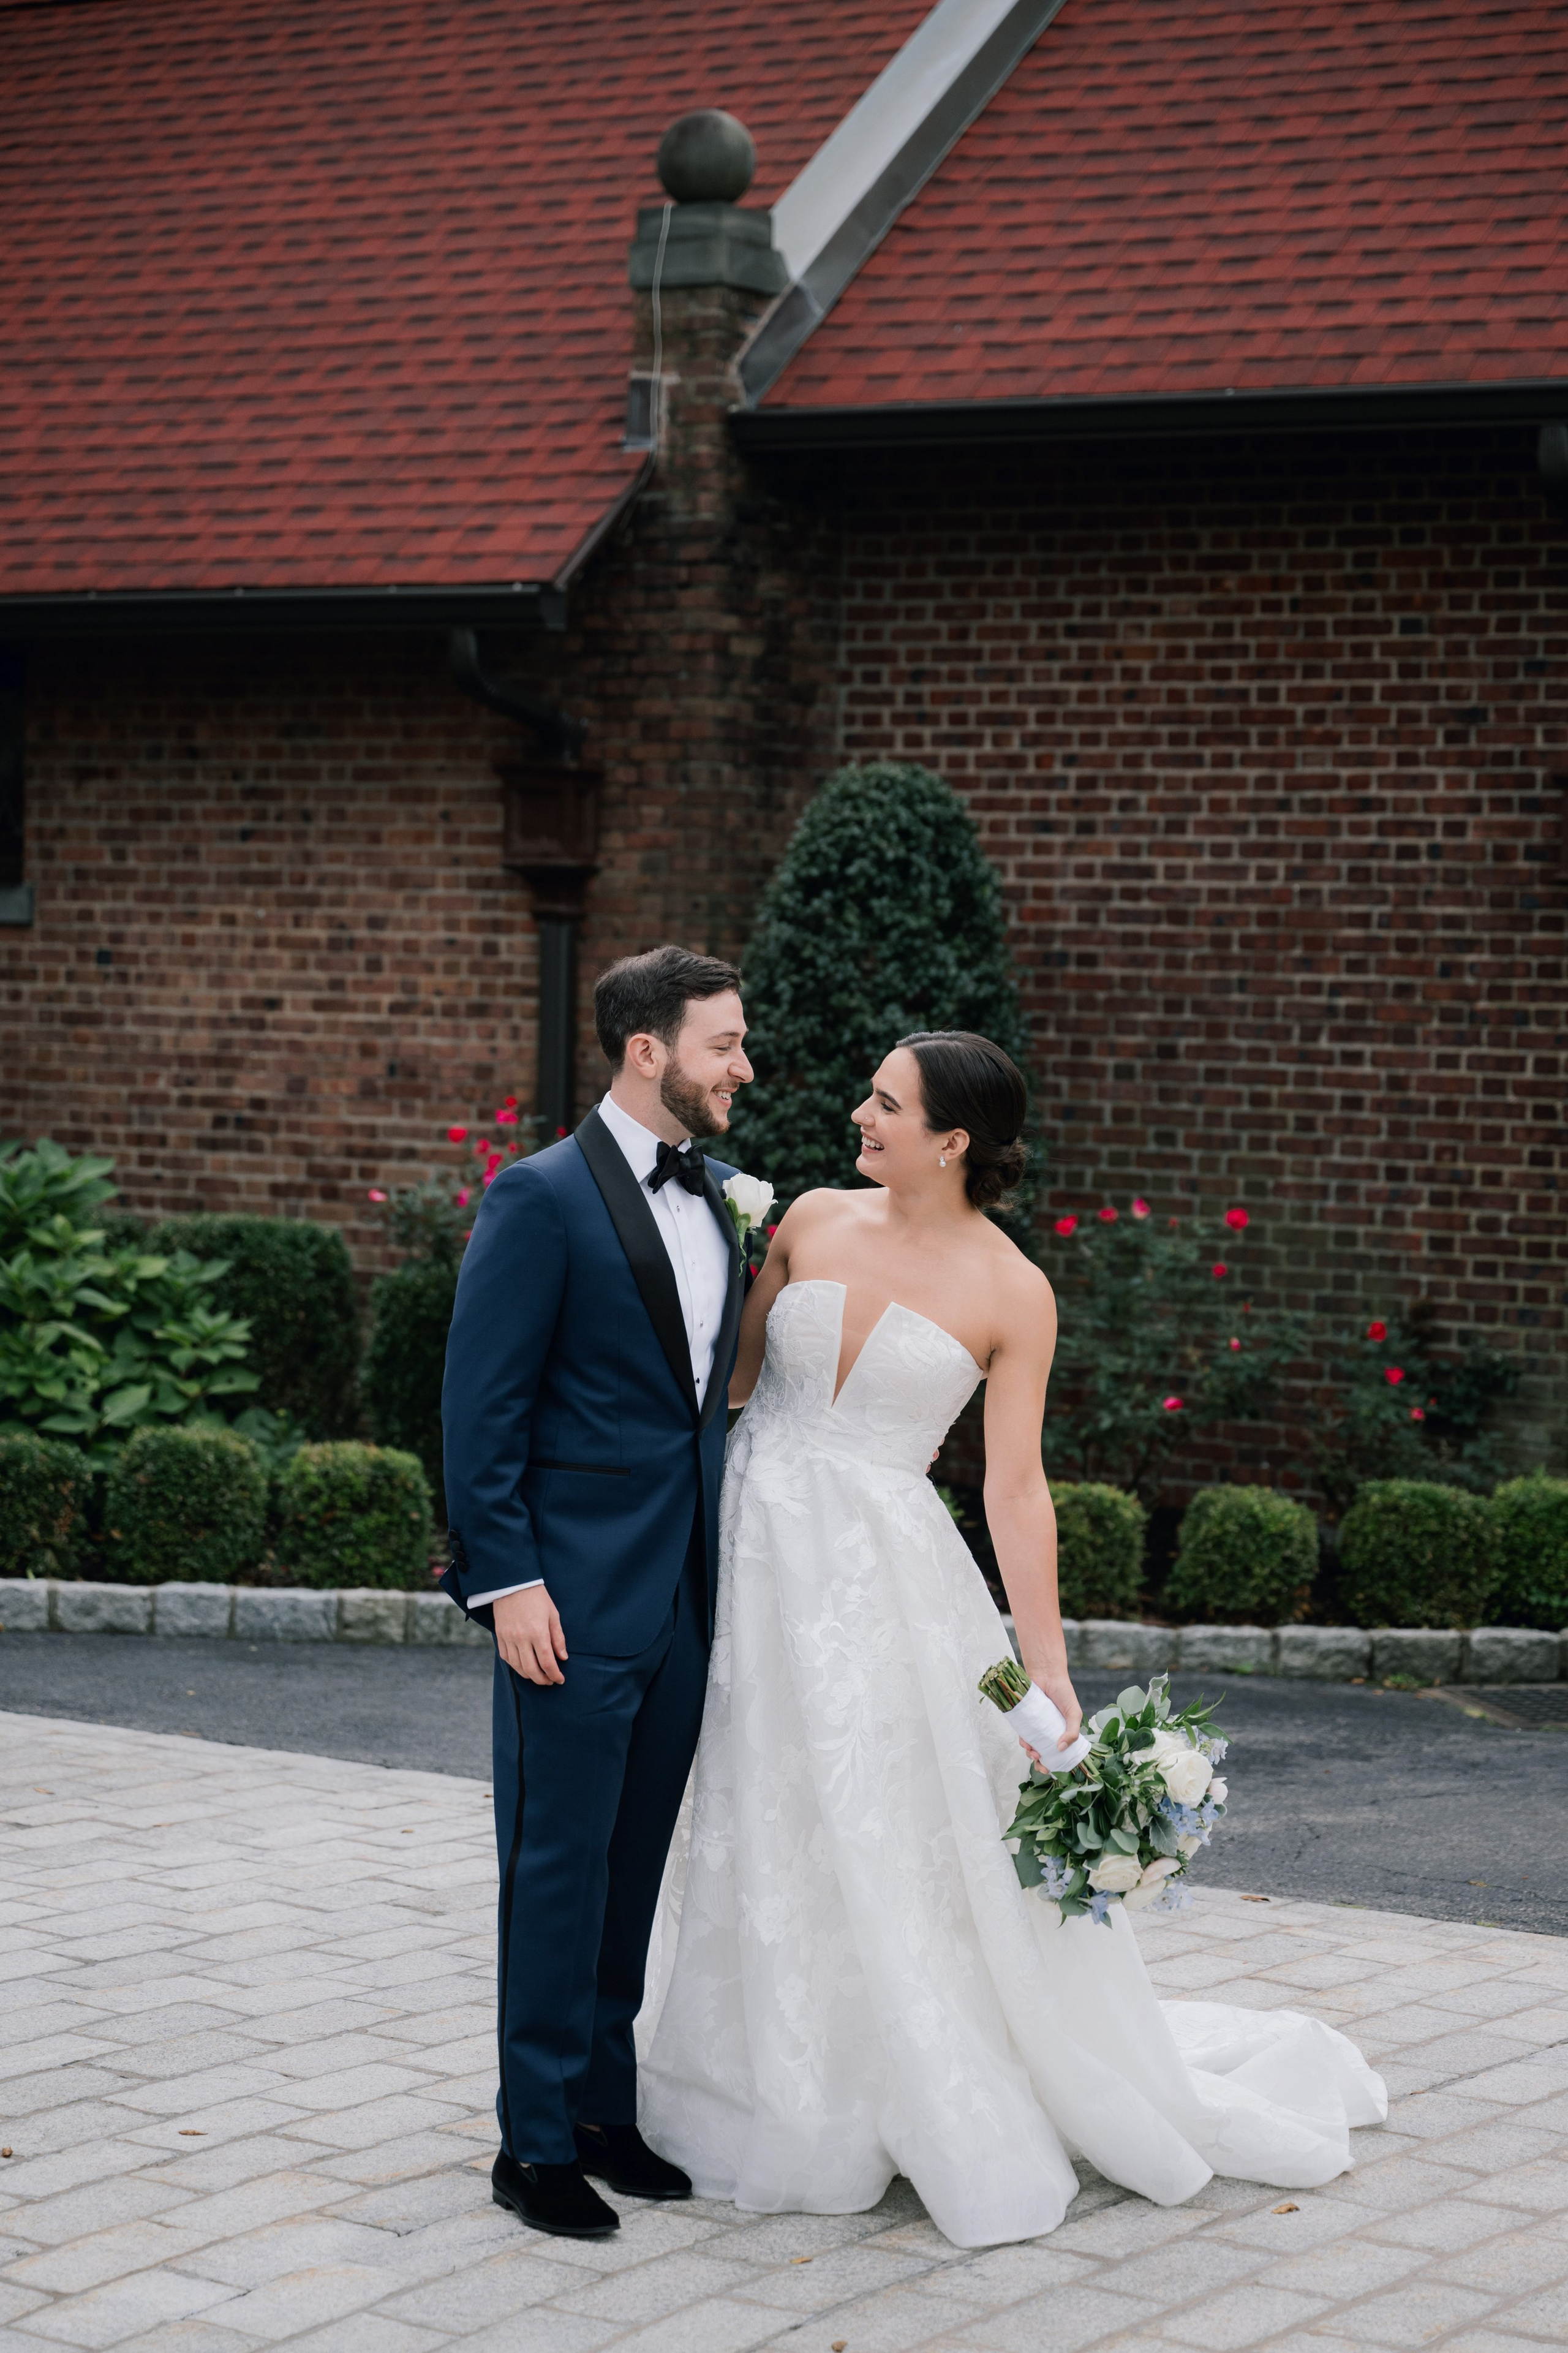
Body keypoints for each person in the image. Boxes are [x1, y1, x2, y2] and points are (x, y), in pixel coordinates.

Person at [638, 1030, 1386, 2249]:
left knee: (877, 1810)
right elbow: (727, 1387)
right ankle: (753, 2073)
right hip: (752, 1541)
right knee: (757, 1797)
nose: (856, 1114)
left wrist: (1044, 1670)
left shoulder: (1010, 1289)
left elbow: (1014, 1490)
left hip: (888, 1572)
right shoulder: (809, 1220)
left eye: (885, 1103)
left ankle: (890, 2080)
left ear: (951, 1141)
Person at [440, 944, 752, 2240]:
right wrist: (506, 1579)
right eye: (722, 1043)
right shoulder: (540, 1197)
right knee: (554, 1865)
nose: (743, 1065)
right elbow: (479, 1408)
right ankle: (529, 2144)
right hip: (561, 1601)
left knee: (631, 1865)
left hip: (681, 1597)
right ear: (647, 1051)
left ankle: (602, 2112)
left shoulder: (732, 1196)